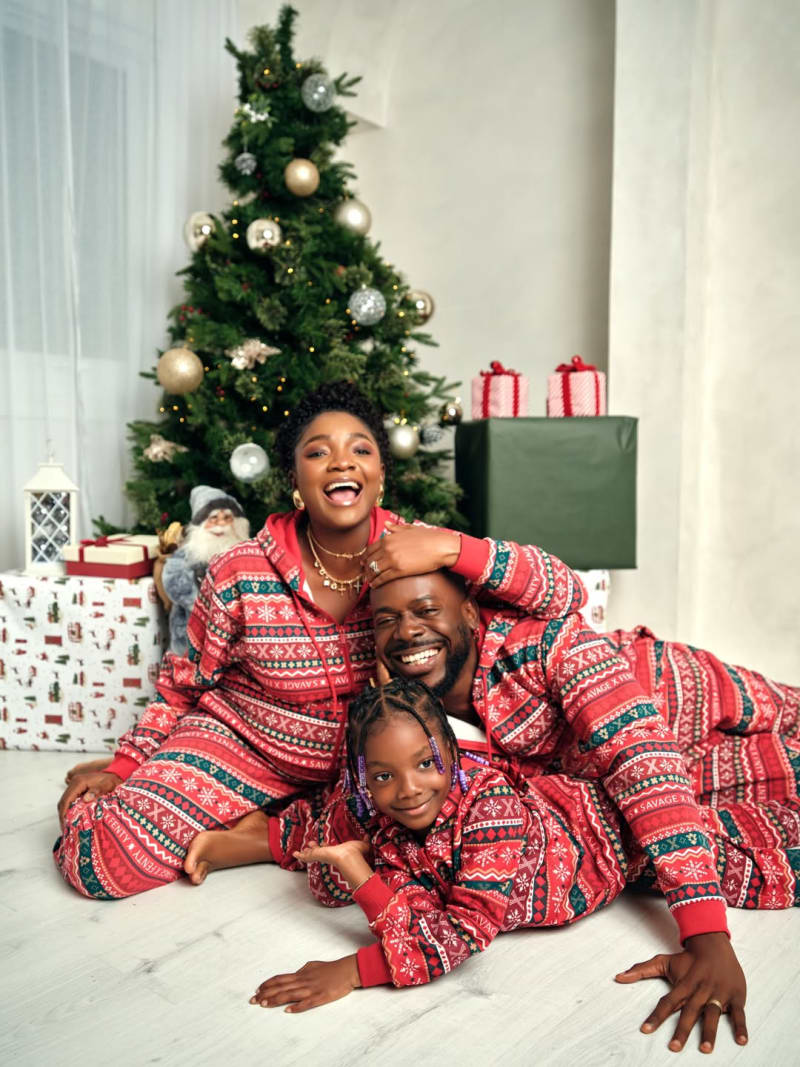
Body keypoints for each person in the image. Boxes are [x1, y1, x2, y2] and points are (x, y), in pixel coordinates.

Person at [54, 381, 586, 899]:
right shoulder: (241, 570)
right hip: (243, 747)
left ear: (381, 474)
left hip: (367, 771)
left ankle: (272, 831)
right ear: (295, 478)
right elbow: (183, 687)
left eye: (361, 449)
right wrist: (125, 767)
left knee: (456, 850)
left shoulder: (419, 553)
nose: (341, 462)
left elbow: (566, 593)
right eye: (318, 452)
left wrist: (454, 547)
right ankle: (200, 797)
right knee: (102, 861)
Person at [250, 676, 748, 1056]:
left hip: (611, 835)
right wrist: (354, 866)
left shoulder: (491, 809)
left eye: (425, 763)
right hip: (544, 817)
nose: (409, 789)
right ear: (363, 782)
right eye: (383, 776)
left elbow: (459, 936)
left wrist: (354, 971)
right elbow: (411, 925)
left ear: (451, 751)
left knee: (751, 854)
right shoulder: (393, 834)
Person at [161, 485, 250, 654]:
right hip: (192, 636)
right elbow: (173, 582)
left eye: (227, 518)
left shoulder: (246, 556)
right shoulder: (186, 557)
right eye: (213, 518)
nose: (221, 524)